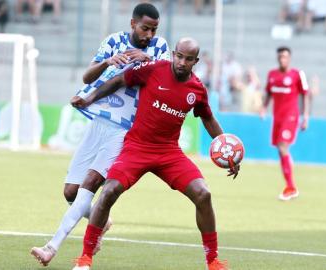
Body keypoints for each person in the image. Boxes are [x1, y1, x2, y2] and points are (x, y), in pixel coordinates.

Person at [71, 38, 239, 270]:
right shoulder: (153, 70)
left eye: (188, 59)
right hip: (137, 147)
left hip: (168, 153)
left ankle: (213, 261)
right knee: (109, 190)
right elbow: (119, 79)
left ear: (195, 61)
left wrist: (227, 150)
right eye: (178, 56)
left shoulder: (197, 89)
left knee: (203, 194)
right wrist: (89, 98)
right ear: (173, 54)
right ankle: (85, 258)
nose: (181, 62)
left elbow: (208, 118)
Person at [30, 3, 170, 266]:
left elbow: (167, 79)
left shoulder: (159, 47)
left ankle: (51, 247)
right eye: (144, 28)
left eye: (153, 30)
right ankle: (102, 221)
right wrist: (108, 61)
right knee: (71, 192)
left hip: (125, 130)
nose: (149, 35)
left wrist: (149, 60)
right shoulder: (113, 41)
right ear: (132, 24)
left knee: (90, 185)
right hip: (98, 124)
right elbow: (87, 76)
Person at [260, 46, 309, 201]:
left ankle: (291, 187)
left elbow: (305, 95)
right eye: (280, 56)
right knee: (281, 150)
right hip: (277, 118)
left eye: (285, 56)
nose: (282, 59)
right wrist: (263, 107)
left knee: (282, 146)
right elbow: (268, 93)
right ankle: (290, 186)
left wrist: (305, 116)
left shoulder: (297, 75)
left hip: (291, 116)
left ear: (289, 58)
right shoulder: (272, 75)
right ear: (277, 58)